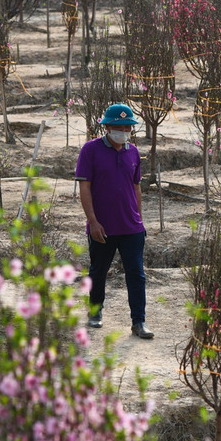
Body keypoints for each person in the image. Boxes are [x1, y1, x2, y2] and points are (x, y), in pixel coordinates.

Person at [75, 102, 152, 339]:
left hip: (131, 227)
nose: (123, 131)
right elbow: (85, 188)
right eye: (118, 127)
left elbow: (136, 187)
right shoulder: (90, 150)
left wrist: (138, 219)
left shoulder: (133, 152)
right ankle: (95, 312)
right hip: (102, 227)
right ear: (106, 126)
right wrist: (93, 221)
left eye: (127, 127)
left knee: (136, 274)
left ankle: (138, 322)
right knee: (98, 271)